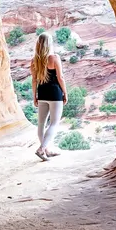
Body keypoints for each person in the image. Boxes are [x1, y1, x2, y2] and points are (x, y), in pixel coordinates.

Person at [31, 31, 67, 160]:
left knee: (41, 123)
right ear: (49, 44)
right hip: (55, 93)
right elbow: (60, 77)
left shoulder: (34, 60)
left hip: (42, 93)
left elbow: (34, 80)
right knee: (54, 123)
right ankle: (41, 149)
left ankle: (47, 150)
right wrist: (65, 93)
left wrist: (34, 96)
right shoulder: (54, 58)